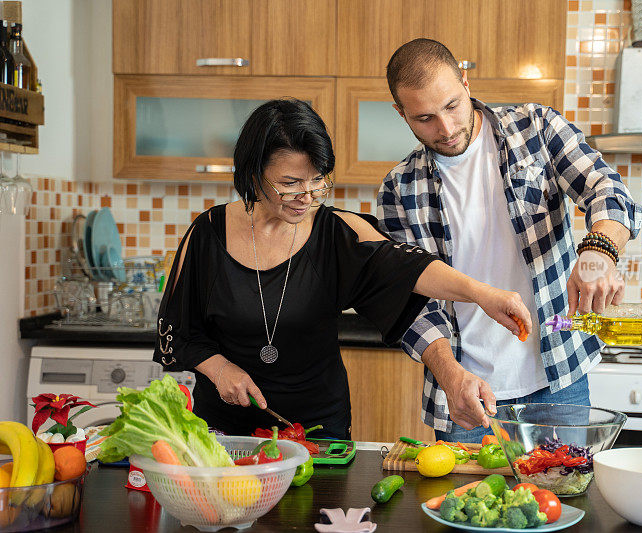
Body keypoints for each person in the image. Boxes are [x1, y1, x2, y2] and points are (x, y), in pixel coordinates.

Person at [154, 98, 532, 439]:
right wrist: (220, 370)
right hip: (225, 430)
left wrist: (480, 293)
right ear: (253, 175)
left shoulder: (338, 232)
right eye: (289, 183)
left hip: (317, 431)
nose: (307, 196)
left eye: (318, 180)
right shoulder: (206, 234)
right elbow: (178, 330)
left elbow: (409, 268)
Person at [377, 39, 642, 442]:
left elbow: (606, 189)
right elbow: (409, 301)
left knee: (564, 501)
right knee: (467, 507)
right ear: (401, 114)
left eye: (452, 106)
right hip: (466, 397)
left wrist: (598, 254)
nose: (446, 129)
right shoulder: (398, 189)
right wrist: (450, 375)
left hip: (559, 380)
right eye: (425, 118)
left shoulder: (535, 129)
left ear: (465, 82)